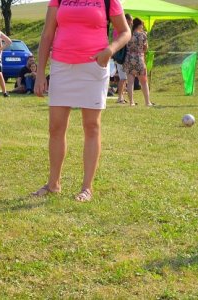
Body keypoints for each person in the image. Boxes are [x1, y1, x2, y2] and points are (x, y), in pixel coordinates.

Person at [32, 0, 131, 202]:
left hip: (94, 66)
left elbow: (125, 32)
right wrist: (40, 73)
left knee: (92, 126)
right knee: (56, 127)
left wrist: (110, 50)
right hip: (61, 66)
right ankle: (53, 184)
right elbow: (47, 34)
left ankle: (87, 187)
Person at [123, 18, 154, 106]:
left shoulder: (128, 34)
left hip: (129, 58)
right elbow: (145, 48)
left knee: (130, 82)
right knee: (144, 81)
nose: (143, 26)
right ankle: (147, 102)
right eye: (142, 25)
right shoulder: (143, 35)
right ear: (139, 25)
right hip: (139, 58)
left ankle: (131, 102)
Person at [114, 13, 133, 104]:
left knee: (124, 78)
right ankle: (120, 97)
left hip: (122, 57)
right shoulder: (122, 29)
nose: (132, 22)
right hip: (122, 57)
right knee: (123, 78)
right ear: (127, 20)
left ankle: (121, 97)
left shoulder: (121, 29)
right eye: (131, 20)